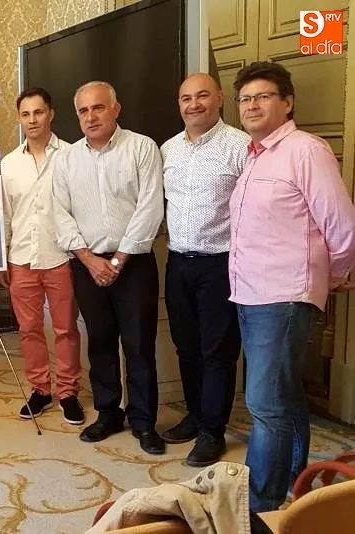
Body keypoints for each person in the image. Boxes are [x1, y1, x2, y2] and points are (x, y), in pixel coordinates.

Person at [229, 61, 355, 512]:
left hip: (283, 294)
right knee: (284, 394)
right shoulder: (255, 153)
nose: (252, 105)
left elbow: (343, 227)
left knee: (264, 403)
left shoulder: (306, 150)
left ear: (287, 102)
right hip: (251, 293)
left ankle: (260, 505)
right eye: (245, 98)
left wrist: (334, 276)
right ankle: (292, 484)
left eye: (263, 96)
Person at [52, 81, 166, 455]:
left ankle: (143, 421)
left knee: (138, 345)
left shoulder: (142, 148)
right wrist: (89, 259)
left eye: (98, 108)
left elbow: (150, 207)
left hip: (132, 265)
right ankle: (108, 413)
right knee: (99, 343)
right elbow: (59, 212)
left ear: (116, 108)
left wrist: (118, 261)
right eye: (83, 111)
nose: (90, 116)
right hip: (87, 265)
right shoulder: (67, 158)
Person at [160, 73, 248, 467]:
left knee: (217, 352)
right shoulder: (168, 149)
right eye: (185, 98)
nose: (193, 105)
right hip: (178, 261)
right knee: (187, 347)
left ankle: (212, 431)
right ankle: (195, 416)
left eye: (201, 97)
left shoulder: (241, 147)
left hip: (221, 264)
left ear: (219, 100)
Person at [0, 87, 84, 425]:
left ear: (51, 114)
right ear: (19, 119)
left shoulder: (73, 155)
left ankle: (68, 392)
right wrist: (1, 258)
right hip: (21, 258)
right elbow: (5, 214)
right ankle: (40, 390)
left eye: (38, 112)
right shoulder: (8, 164)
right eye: (26, 114)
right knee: (29, 328)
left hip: (61, 256)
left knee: (65, 328)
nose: (32, 120)